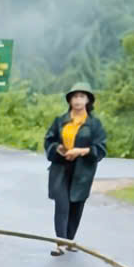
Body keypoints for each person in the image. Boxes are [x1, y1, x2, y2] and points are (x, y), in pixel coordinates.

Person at [43, 82, 107, 255]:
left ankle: (70, 240)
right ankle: (60, 243)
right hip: (61, 167)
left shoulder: (94, 124)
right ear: (70, 100)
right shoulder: (60, 121)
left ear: (88, 100)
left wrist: (81, 151)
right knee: (61, 204)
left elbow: (101, 148)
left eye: (81, 96)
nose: (78, 100)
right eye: (75, 97)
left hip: (83, 170)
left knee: (76, 205)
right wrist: (58, 148)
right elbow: (49, 140)